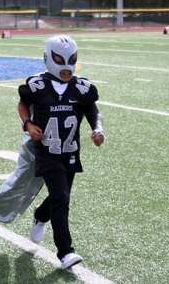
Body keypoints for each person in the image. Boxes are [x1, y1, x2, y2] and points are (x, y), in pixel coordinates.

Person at [17, 35, 104, 269]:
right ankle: (65, 252)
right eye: (60, 59)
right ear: (48, 58)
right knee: (62, 198)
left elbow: (92, 110)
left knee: (59, 196)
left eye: (72, 59)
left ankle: (41, 215)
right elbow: (23, 104)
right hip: (47, 152)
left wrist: (97, 129)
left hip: (70, 151)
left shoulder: (81, 87)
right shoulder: (37, 85)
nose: (67, 66)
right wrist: (28, 124)